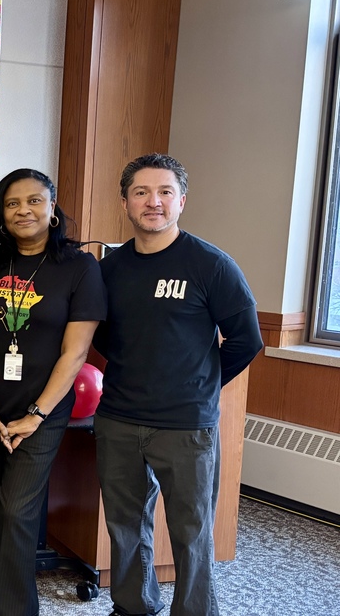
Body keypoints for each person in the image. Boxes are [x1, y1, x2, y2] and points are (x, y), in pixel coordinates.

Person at [93, 154, 262, 616]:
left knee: (192, 533)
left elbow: (247, 339)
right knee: (125, 527)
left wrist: (200, 383)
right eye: (141, 192)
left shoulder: (211, 265)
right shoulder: (109, 270)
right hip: (119, 419)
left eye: (165, 192)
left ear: (181, 201)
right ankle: (133, 605)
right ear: (125, 202)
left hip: (186, 426)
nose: (154, 202)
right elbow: (102, 335)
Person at [0, 169, 106, 616]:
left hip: (44, 410)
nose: (24, 210)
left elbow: (75, 352)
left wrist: (36, 414)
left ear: (52, 207)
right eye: (12, 203)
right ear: (0, 213)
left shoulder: (79, 267)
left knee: (17, 511)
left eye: (35, 200)